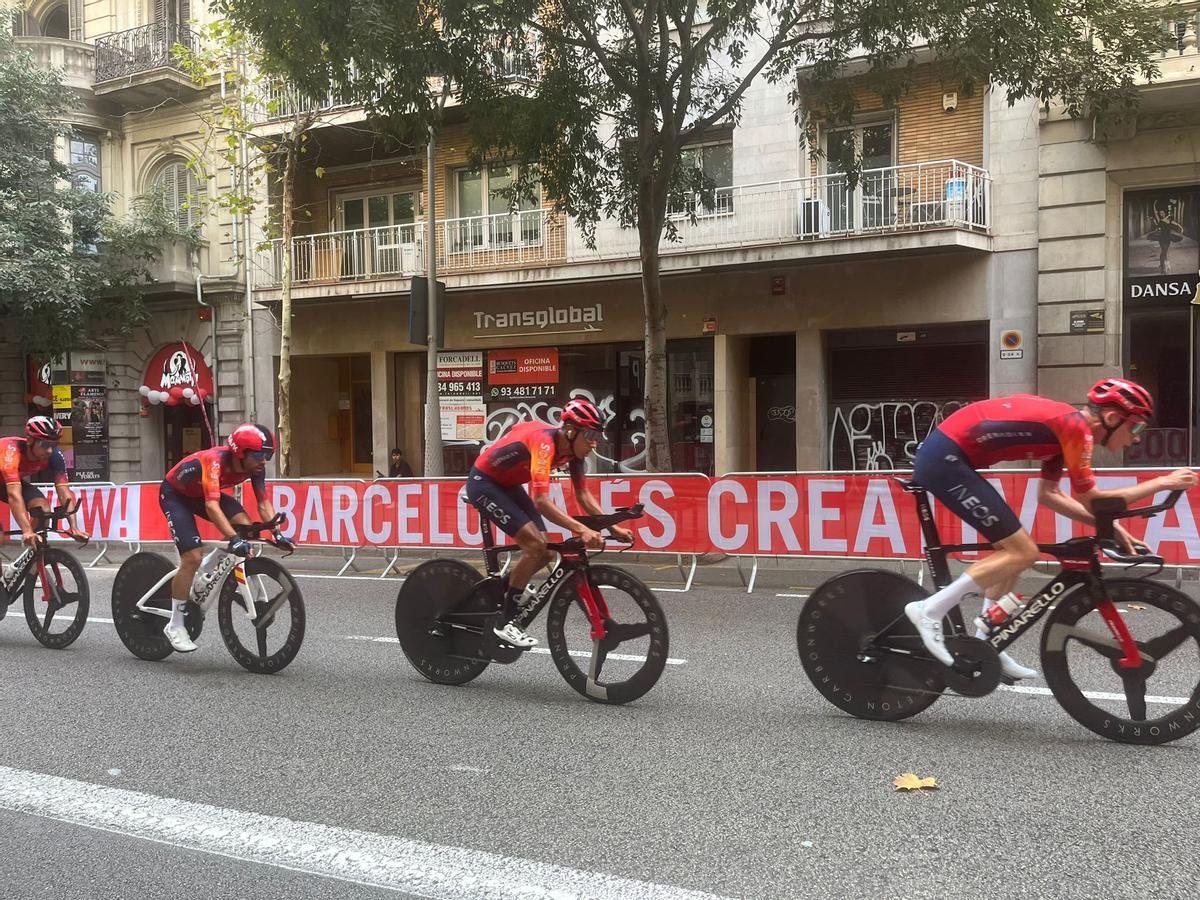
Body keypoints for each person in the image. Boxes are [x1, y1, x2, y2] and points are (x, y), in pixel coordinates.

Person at [904, 378, 1198, 680]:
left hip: (952, 458)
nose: (1136, 438)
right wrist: (1163, 482)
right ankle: (929, 610)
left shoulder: (1066, 433)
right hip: (944, 461)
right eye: (1136, 427)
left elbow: (1050, 495)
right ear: (1112, 418)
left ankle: (984, 644)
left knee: (1013, 552)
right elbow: (1092, 499)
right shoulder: (1075, 429)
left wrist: (1113, 529)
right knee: (1024, 552)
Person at [465, 397, 632, 648]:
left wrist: (613, 527)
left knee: (543, 553)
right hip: (484, 483)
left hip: (507, 485)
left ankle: (506, 590)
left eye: (597, 435)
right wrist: (582, 529)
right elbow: (541, 500)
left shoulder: (575, 455)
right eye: (589, 434)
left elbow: (583, 496)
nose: (594, 442)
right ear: (570, 430)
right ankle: (505, 623)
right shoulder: (545, 444)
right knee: (534, 546)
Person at [158, 423, 293, 653]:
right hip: (175, 495)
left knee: (245, 528)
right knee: (192, 557)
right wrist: (233, 539)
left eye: (268, 455)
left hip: (200, 494)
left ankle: (207, 569)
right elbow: (212, 506)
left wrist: (277, 533)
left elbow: (263, 503)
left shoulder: (255, 468)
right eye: (261, 455)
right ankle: (175, 625)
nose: (265, 461)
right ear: (241, 453)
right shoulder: (214, 461)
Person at [0, 417, 88, 559]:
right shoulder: (11, 452)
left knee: (42, 510)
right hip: (7, 482)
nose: (49, 450)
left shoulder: (55, 456)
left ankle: (31, 561)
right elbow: (14, 496)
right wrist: (27, 530)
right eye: (44, 444)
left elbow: (64, 491)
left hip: (4, 482)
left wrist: (74, 527)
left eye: (54, 445)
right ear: (30, 440)